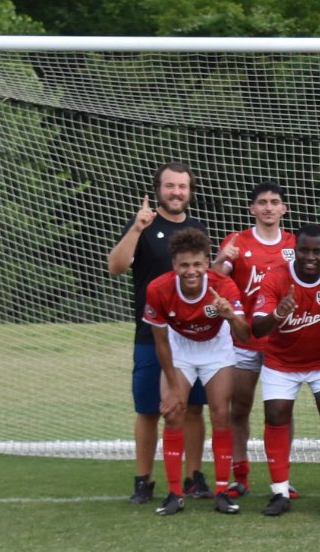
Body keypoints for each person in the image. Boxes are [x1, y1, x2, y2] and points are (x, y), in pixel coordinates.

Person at [106, 161, 210, 505]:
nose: (176, 192)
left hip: (194, 340)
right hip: (151, 336)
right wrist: (136, 228)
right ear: (158, 190)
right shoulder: (144, 225)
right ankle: (143, 480)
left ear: (189, 191)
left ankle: (194, 477)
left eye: (182, 186)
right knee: (149, 409)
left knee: (194, 409)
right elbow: (115, 267)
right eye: (170, 186)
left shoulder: (198, 228)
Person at [252, 224, 320, 518]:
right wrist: (278, 314)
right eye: (304, 250)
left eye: (317, 251)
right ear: (294, 250)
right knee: (275, 415)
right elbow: (256, 327)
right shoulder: (275, 277)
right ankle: (280, 492)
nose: (310, 256)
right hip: (281, 363)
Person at [143, 229, 249, 516]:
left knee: (220, 414)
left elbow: (245, 334)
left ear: (206, 263)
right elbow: (161, 340)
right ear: (174, 265)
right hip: (180, 350)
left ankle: (221, 491)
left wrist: (229, 315)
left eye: (197, 264)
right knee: (173, 411)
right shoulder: (158, 288)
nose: (191, 271)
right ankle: (175, 493)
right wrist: (176, 388)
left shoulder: (223, 286)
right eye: (184, 265)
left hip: (216, 349)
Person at [213, 181, 296, 497]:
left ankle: (284, 479)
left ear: (283, 208)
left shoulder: (293, 244)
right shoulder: (237, 242)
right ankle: (241, 474)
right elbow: (213, 279)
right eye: (262, 202)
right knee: (240, 407)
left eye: (275, 201)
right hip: (244, 339)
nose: (269, 207)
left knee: (281, 411)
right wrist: (221, 258)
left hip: (281, 341)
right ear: (252, 208)